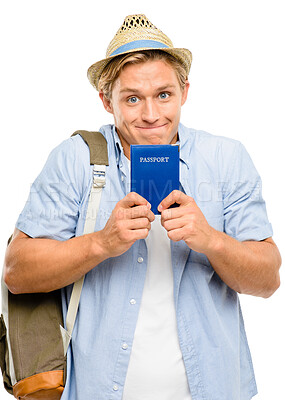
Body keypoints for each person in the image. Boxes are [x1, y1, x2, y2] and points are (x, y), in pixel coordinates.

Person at [3, 14, 281, 400]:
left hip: (212, 389)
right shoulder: (75, 160)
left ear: (185, 91)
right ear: (106, 101)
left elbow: (268, 280)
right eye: (132, 98)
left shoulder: (226, 159)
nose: (151, 115)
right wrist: (101, 242)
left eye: (164, 95)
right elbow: (17, 272)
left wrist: (210, 240)